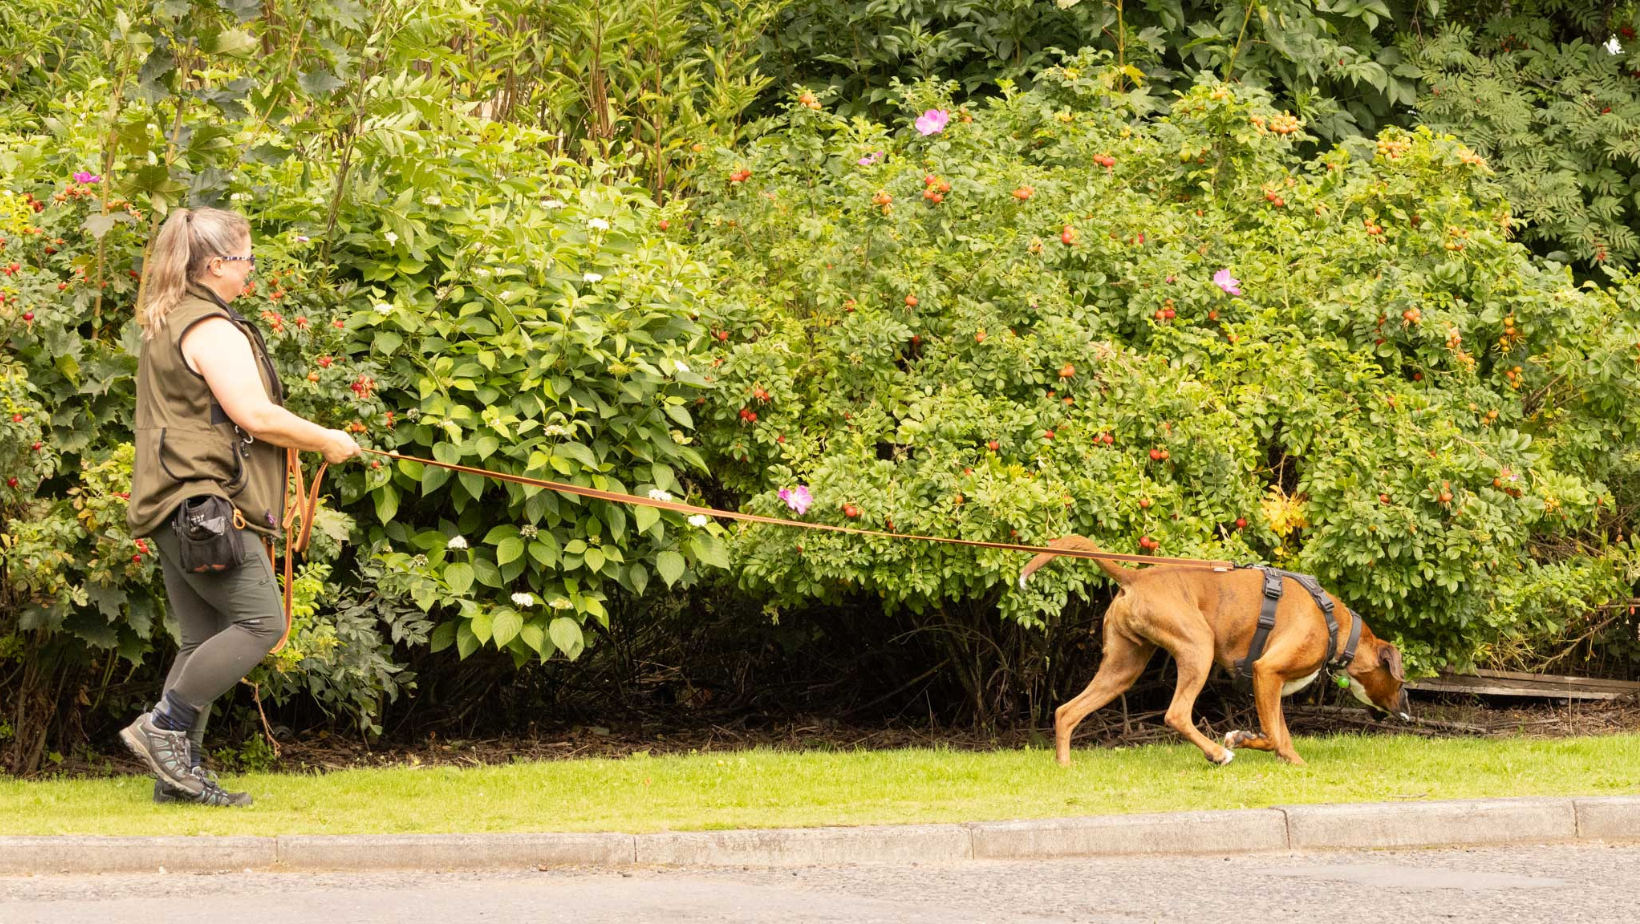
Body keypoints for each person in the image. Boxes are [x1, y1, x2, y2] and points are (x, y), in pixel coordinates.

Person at [119, 207, 360, 806]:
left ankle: (179, 776)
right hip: (204, 502)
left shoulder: (170, 318)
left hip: (171, 498)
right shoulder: (210, 328)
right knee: (261, 622)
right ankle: (165, 727)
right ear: (218, 263)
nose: (252, 270)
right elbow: (255, 416)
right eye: (248, 259)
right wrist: (328, 439)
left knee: (201, 633)